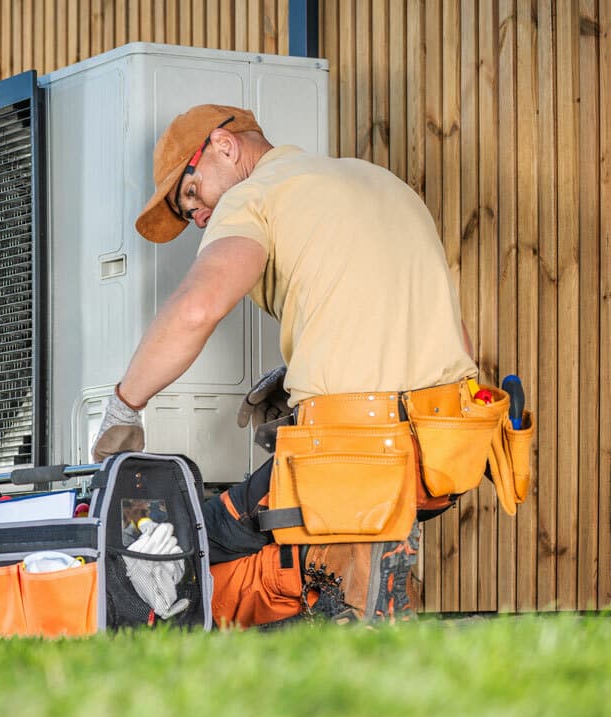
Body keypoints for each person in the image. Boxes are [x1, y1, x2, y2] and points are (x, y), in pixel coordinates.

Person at [91, 104, 481, 627]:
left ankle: (336, 605)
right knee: (297, 525)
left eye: (191, 195)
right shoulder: (380, 181)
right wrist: (309, 376)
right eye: (190, 216)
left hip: (352, 455)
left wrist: (124, 406)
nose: (199, 217)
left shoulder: (255, 195)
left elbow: (196, 309)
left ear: (224, 147)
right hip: (442, 453)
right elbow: (454, 338)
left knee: (187, 538)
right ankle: (356, 584)